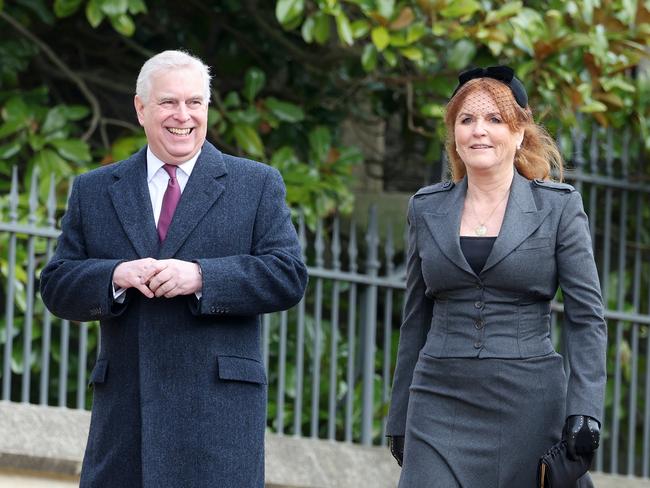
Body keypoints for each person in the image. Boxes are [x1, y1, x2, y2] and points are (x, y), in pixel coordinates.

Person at [40, 50, 308, 488]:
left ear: (207, 108)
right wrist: (114, 276)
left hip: (217, 422)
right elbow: (56, 285)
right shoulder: (94, 190)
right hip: (125, 422)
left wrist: (202, 277)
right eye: (168, 103)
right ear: (141, 109)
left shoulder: (256, 183)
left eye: (195, 103)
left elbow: (287, 275)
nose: (182, 115)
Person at [385, 66, 606, 487]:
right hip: (439, 400)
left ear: (519, 132)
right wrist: (400, 414)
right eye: (466, 120)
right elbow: (415, 318)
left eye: (494, 119)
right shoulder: (426, 208)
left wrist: (586, 410)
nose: (478, 131)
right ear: (454, 134)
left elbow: (587, 318)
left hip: (528, 403)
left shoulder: (558, 208)